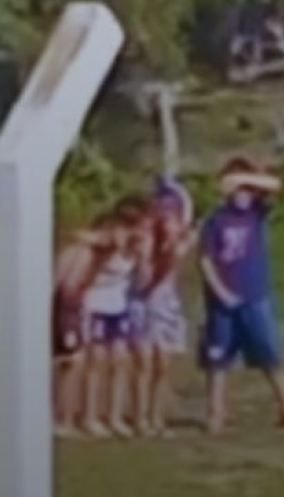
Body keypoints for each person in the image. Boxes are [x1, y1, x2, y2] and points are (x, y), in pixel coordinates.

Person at [198, 158, 284, 434]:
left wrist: (246, 179)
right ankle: (216, 412)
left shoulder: (256, 213)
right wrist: (220, 291)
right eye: (238, 188)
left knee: (270, 353)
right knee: (218, 357)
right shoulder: (215, 220)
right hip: (223, 300)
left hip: (256, 295)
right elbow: (206, 260)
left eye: (247, 188)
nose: (243, 194)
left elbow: (277, 186)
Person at [126, 183, 194, 437]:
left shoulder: (177, 244)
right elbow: (145, 281)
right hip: (142, 304)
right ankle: (139, 417)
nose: (167, 221)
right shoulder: (144, 240)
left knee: (162, 364)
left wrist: (175, 248)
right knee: (143, 363)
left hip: (166, 305)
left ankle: (156, 417)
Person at [78, 208, 143, 438]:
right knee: (96, 363)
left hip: (119, 307)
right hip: (96, 307)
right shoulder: (103, 248)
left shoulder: (134, 251)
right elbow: (81, 237)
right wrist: (106, 240)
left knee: (119, 362)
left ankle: (115, 417)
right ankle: (90, 416)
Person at [52, 213, 117, 438]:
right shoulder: (81, 252)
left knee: (75, 363)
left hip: (74, 307)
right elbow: (61, 283)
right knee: (69, 364)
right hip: (65, 306)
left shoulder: (97, 253)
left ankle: (66, 418)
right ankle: (61, 419)